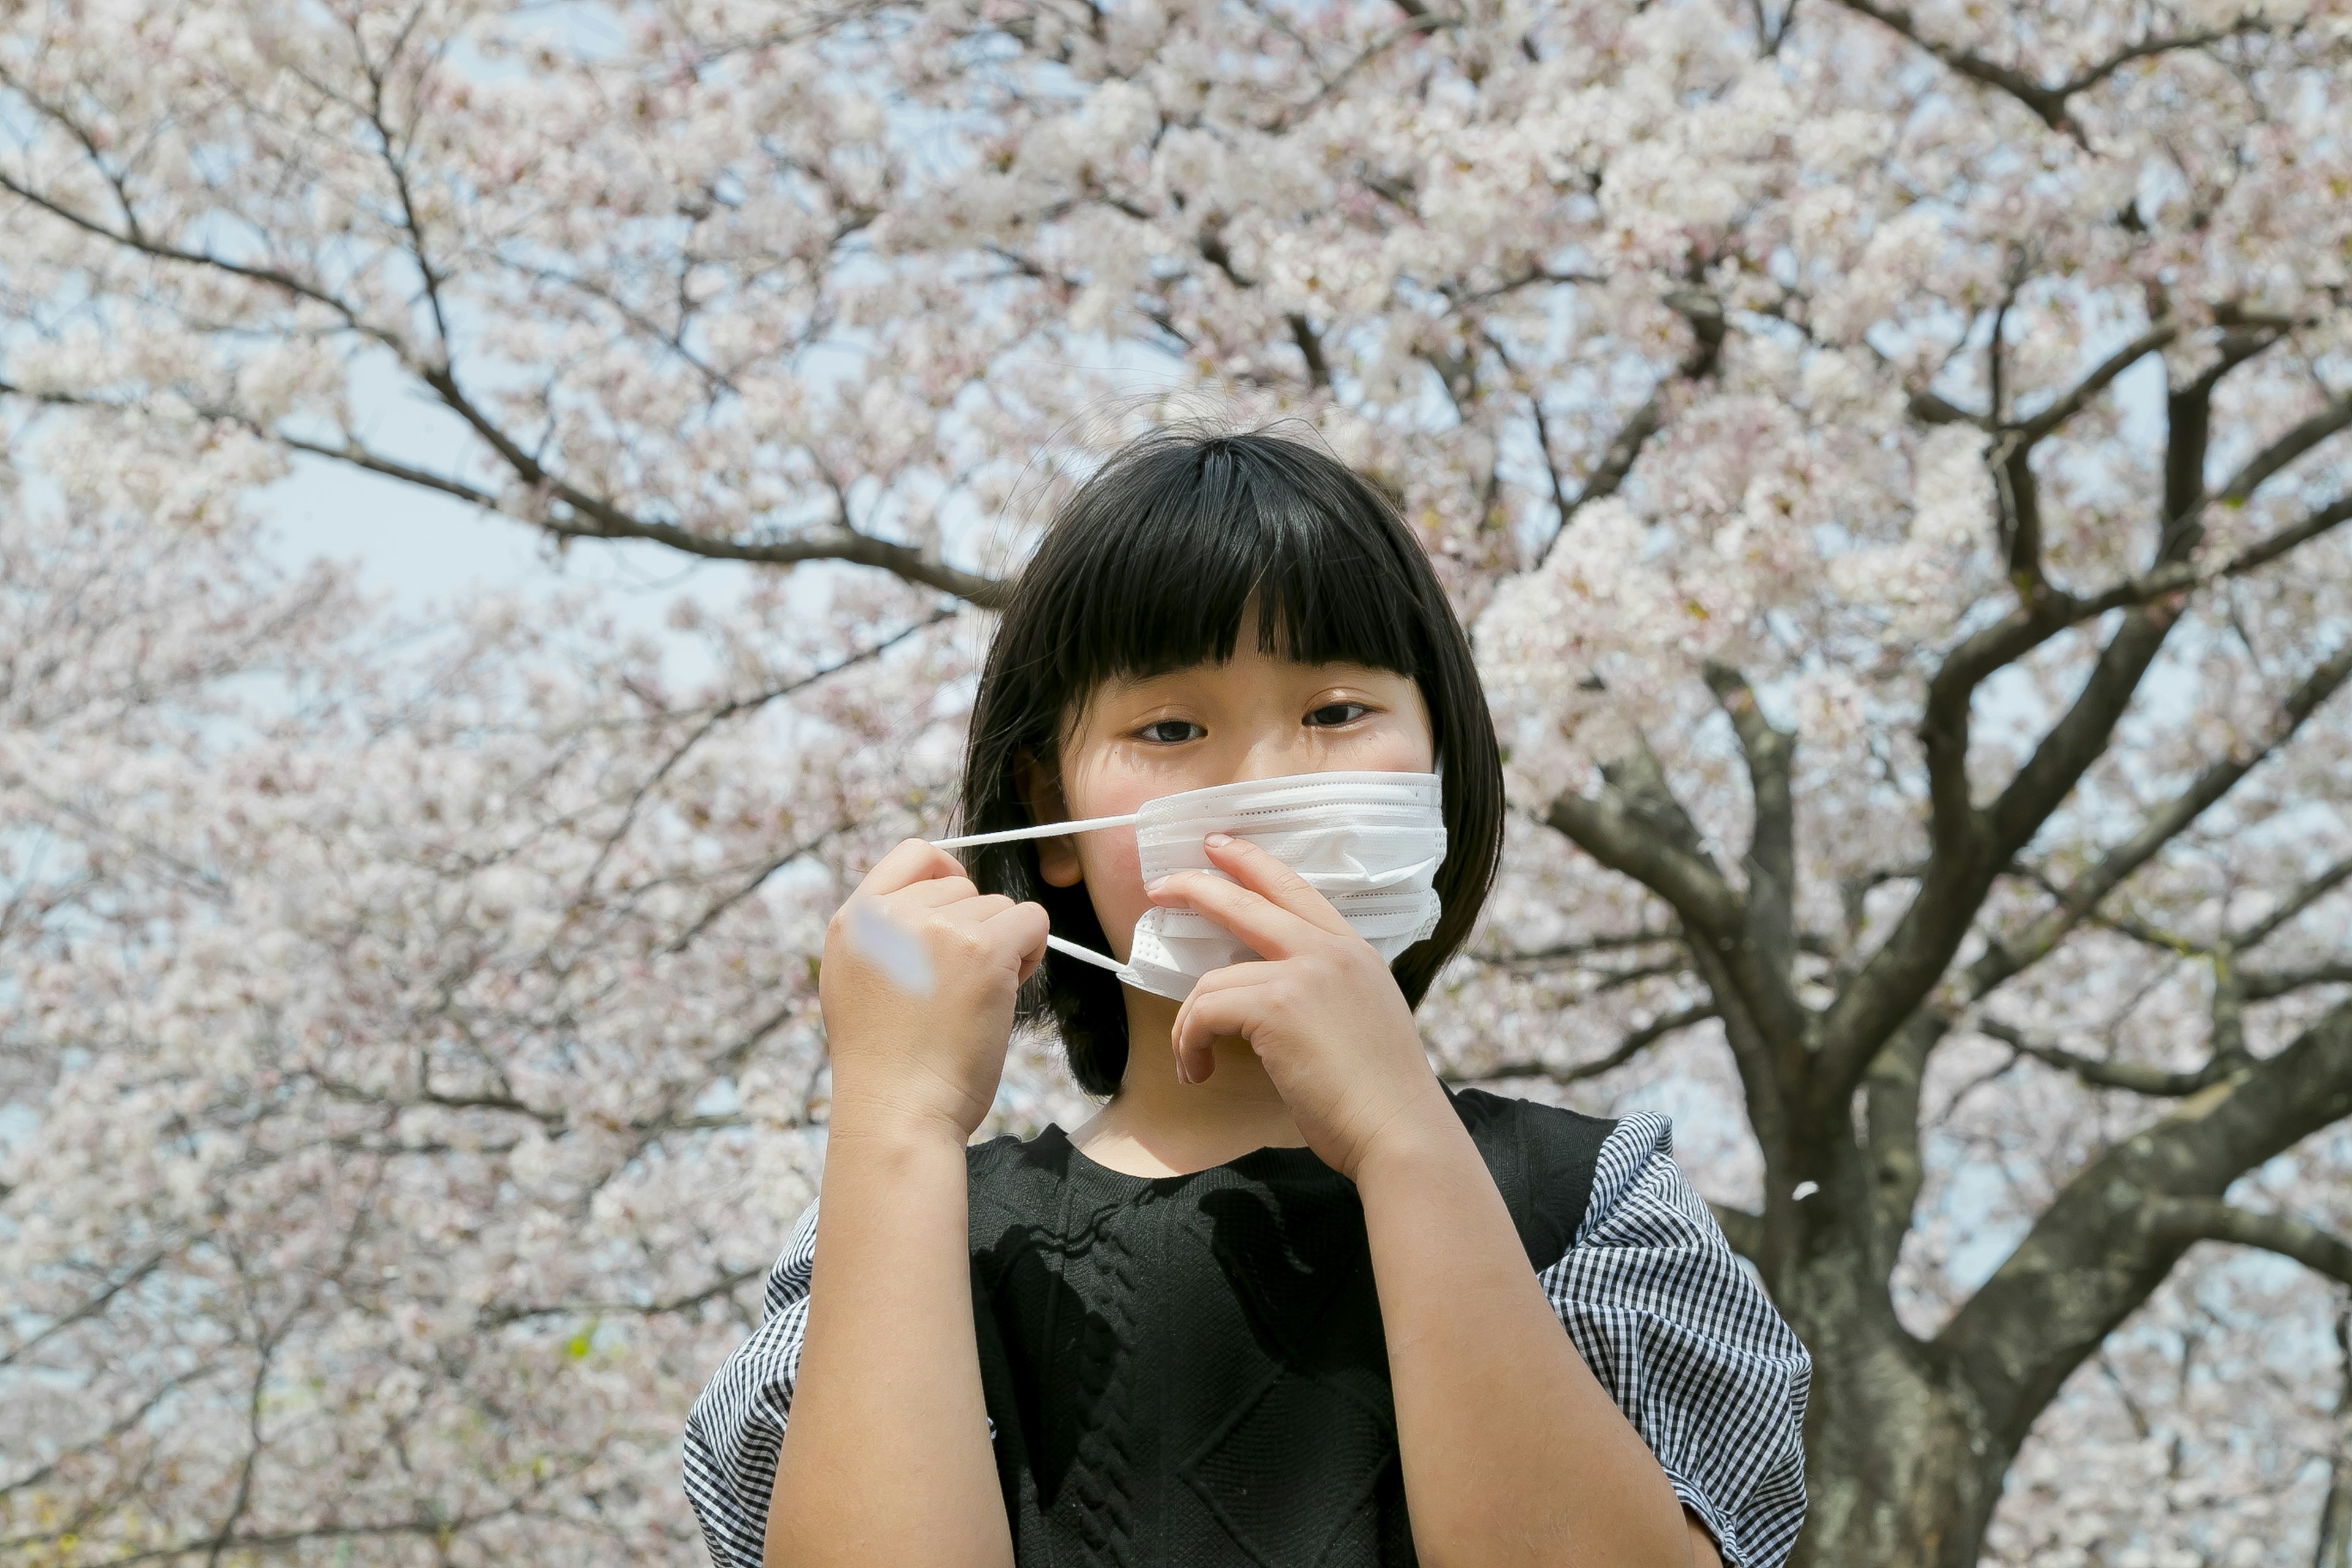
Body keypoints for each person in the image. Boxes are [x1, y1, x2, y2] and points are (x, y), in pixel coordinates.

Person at [684, 427, 1812, 1567]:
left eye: (1335, 713)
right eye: (1170, 729)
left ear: (1440, 773)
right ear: (1050, 810)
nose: (1264, 783)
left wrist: (1404, 1138)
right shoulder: (921, 1230)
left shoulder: (1589, 1205)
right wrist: (892, 1118)